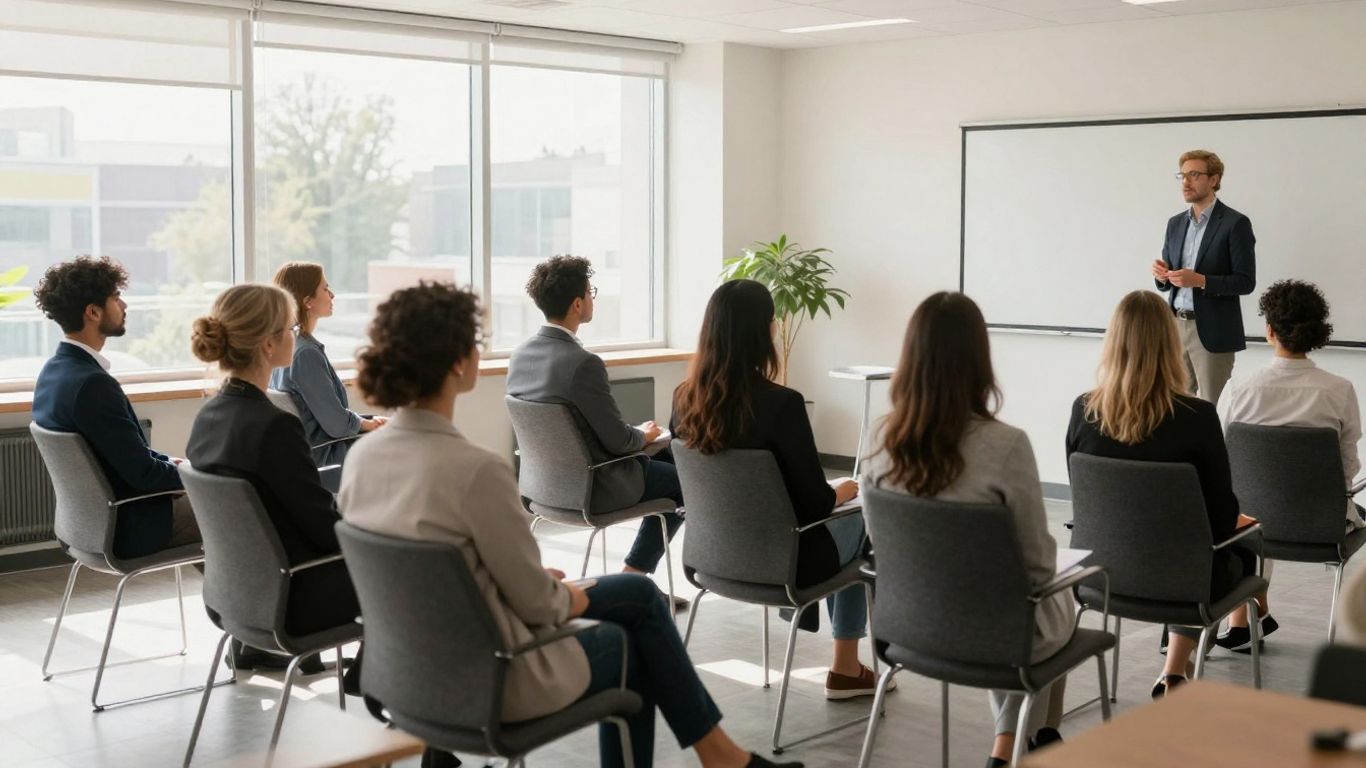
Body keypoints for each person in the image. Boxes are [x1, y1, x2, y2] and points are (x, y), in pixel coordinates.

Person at [338, 281, 799, 768]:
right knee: (632, 635)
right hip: (494, 679)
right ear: (459, 361)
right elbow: (538, 608)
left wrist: (538, 587)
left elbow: (428, 577)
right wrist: (559, 593)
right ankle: (722, 757)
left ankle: (722, 757)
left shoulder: (362, 459)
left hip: (405, 673)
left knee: (635, 597)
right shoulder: (474, 471)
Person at [864, 292, 1071, 767]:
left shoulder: (879, 440)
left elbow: (881, 548)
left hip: (910, 629)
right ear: (981, 360)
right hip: (999, 636)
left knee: (1007, 603)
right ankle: (1019, 742)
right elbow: (1038, 570)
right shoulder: (1006, 445)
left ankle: (1024, 739)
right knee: (1052, 597)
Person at [670, 279, 881, 699]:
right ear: (764, 332)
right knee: (865, 523)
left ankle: (845, 666)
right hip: (785, 563)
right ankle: (844, 668)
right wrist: (843, 490)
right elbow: (813, 505)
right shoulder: (782, 404)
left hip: (712, 557)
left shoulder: (683, 399)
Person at [1066, 290, 1256, 700]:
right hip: (1184, 583)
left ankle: (1177, 670)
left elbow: (1084, 502)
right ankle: (1176, 670)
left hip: (1102, 576)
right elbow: (1222, 520)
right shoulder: (1198, 417)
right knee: (1231, 547)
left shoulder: (1084, 411)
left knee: (1187, 553)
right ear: (1171, 343)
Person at [187, 284, 359, 677]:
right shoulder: (274, 426)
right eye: (289, 328)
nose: (295, 336)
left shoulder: (209, 417)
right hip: (293, 598)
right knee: (409, 566)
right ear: (269, 344)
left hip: (237, 594)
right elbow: (320, 527)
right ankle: (382, 684)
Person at [506, 255, 684, 604]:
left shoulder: (521, 354)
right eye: (591, 292)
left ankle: (635, 579)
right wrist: (644, 435)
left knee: (670, 457)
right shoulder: (582, 364)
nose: (592, 299)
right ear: (577, 303)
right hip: (594, 487)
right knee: (684, 481)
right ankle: (634, 579)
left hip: (544, 486)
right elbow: (617, 441)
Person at [1215, 279, 1364, 651]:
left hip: (1248, 526)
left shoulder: (1239, 389)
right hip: (1322, 527)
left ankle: (1246, 620)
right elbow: (1349, 467)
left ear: (1269, 330)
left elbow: (1221, 459)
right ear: (1318, 333)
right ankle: (1247, 620)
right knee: (1285, 503)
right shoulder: (1339, 390)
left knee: (1259, 508)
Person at [31, 255, 199, 559]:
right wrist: (200, 477)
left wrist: (175, 464)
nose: (124, 306)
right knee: (243, 510)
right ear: (93, 312)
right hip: (133, 525)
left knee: (226, 506)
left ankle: (226, 602)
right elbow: (144, 476)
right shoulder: (93, 385)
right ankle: (237, 604)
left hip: (87, 525)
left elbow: (123, 453)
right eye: (116, 297)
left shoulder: (54, 372)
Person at [1151, 149, 1256, 405]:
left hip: (1212, 330)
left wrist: (1200, 280)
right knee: (1174, 407)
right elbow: (1169, 281)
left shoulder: (1235, 223)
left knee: (1211, 408)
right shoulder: (1175, 223)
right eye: (1182, 175)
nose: (1186, 182)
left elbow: (1245, 281)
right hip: (1175, 327)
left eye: (1194, 175)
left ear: (1213, 180)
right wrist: (1162, 276)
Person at [270, 261, 385, 468]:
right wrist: (367, 423)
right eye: (325, 289)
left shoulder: (286, 347)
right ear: (307, 301)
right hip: (327, 459)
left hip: (312, 454)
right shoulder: (306, 354)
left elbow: (326, 415)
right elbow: (337, 425)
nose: (332, 295)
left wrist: (367, 421)